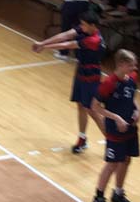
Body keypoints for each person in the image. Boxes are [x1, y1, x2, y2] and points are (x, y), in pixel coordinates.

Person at [32, 10, 105, 154]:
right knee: (80, 105)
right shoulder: (84, 29)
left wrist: (44, 47)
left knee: (93, 110)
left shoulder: (94, 40)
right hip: (81, 71)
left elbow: (67, 45)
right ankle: (82, 138)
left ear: (92, 25)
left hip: (92, 76)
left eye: (84, 25)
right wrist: (42, 42)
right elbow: (65, 35)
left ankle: (113, 141)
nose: (81, 27)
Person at [90, 50, 140, 202]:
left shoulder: (132, 78)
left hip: (130, 128)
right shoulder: (109, 83)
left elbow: (132, 98)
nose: (134, 68)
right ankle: (98, 199)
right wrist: (116, 118)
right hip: (115, 130)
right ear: (120, 64)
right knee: (112, 164)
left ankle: (118, 194)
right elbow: (95, 106)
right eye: (131, 65)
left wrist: (137, 110)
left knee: (126, 160)